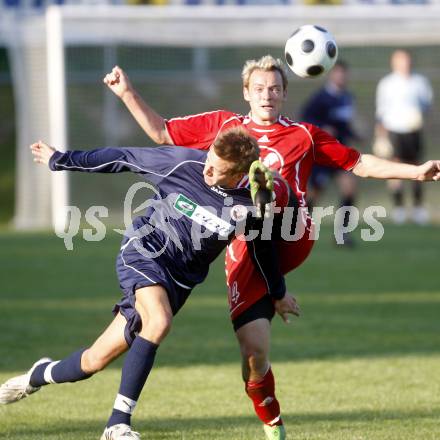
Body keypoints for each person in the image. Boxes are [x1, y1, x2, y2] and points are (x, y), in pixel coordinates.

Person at [102, 54, 440, 440]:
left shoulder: (305, 135)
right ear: (246, 93)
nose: (268, 95)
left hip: (291, 233)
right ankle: (273, 421)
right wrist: (126, 92)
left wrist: (415, 171)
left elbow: (358, 163)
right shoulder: (224, 127)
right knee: (254, 354)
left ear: (284, 94)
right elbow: (162, 132)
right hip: (247, 247)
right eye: (260, 89)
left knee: (272, 190)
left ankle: (267, 192)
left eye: (275, 89)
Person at [0, 128, 301, 440]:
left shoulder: (252, 202)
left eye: (218, 168)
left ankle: (38, 375)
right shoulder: (184, 164)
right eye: (209, 159)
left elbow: (261, 250)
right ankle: (117, 425)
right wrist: (61, 159)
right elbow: (123, 157)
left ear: (239, 173)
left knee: (93, 360)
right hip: (144, 252)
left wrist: (278, 293)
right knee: (157, 322)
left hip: (179, 281)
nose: (207, 169)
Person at [301, 60, 359, 246]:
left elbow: (344, 125)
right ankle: (298, 231)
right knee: (314, 193)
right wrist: (322, 128)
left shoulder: (347, 97)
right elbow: (305, 120)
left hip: (341, 153)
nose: (341, 76)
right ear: (330, 75)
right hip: (323, 154)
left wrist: (356, 135)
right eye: (337, 73)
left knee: (350, 188)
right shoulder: (320, 98)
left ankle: (342, 235)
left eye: (343, 73)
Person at [375, 49, 434, 225]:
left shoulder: (420, 82)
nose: (405, 64)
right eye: (401, 61)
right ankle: (399, 207)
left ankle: (417, 207)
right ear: (394, 63)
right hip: (395, 130)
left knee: (418, 165)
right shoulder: (387, 84)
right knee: (396, 166)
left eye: (407, 60)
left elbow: (426, 105)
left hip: (414, 130)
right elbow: (381, 113)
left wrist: (419, 115)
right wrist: (381, 137)